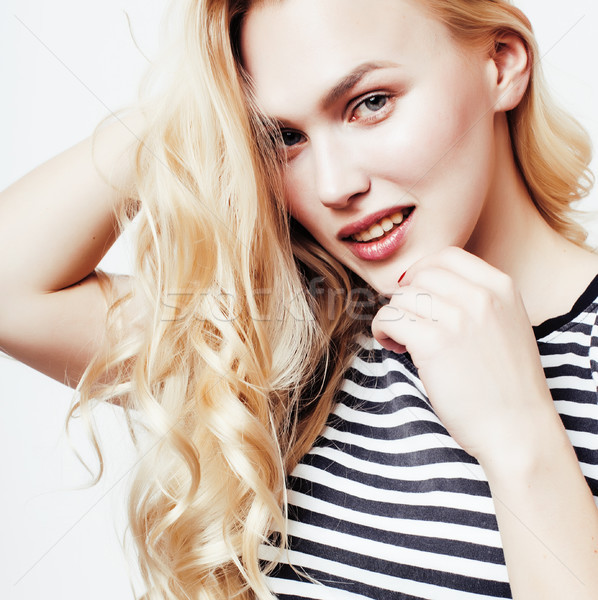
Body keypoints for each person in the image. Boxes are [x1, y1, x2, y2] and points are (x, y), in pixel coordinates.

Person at [1, 0, 598, 599]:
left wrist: (519, 440)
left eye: (371, 103)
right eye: (284, 137)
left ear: (502, 63)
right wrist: (196, 107)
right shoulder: (290, 338)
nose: (335, 185)